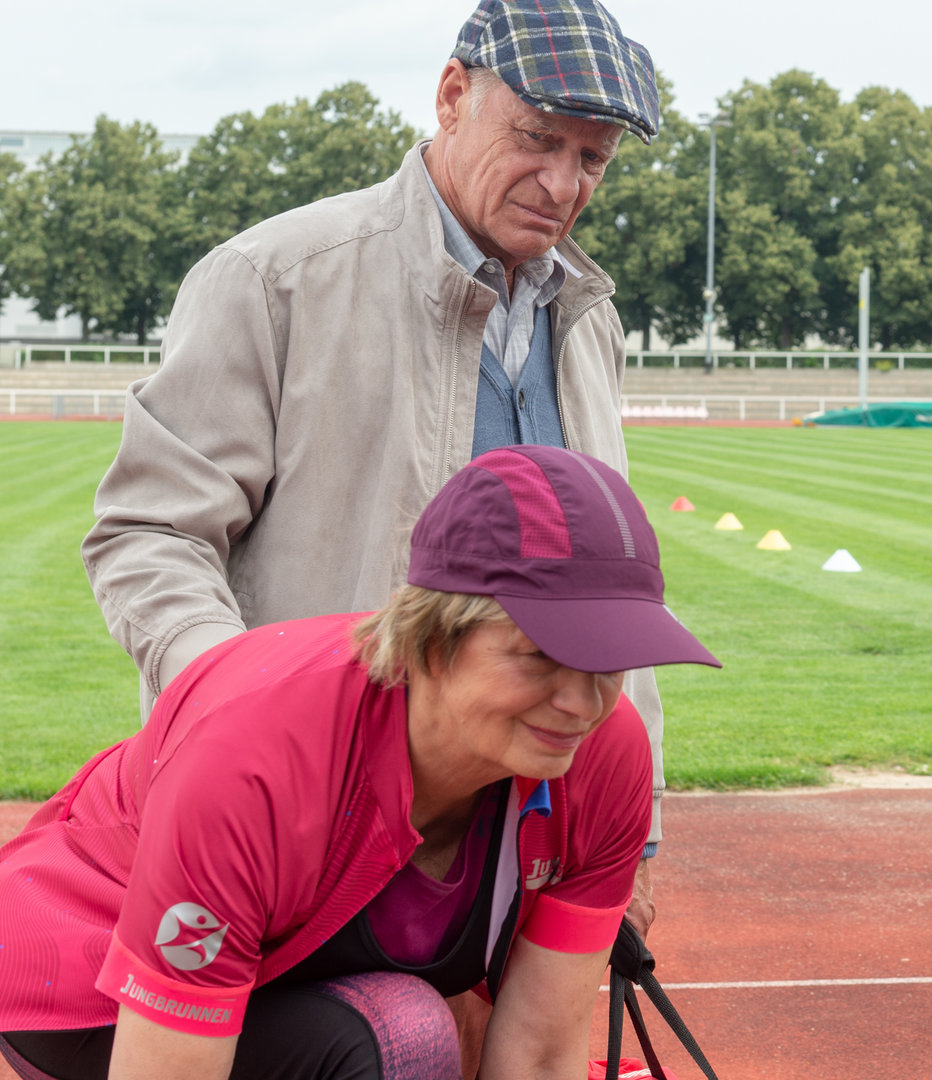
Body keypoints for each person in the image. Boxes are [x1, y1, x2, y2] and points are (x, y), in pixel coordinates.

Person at [80, 0, 674, 935]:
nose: (561, 184)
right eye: (537, 139)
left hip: (522, 817)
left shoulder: (588, 317)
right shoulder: (273, 278)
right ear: (450, 95)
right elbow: (151, 534)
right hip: (303, 810)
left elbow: (606, 595)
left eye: (592, 159)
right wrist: (243, 711)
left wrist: (629, 830)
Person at [0, 446, 720, 1080]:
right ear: (429, 637)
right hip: (84, 985)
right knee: (404, 1032)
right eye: (540, 656)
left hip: (295, 974)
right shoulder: (257, 760)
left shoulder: (605, 755)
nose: (581, 702)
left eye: (610, 658)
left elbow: (537, 1052)